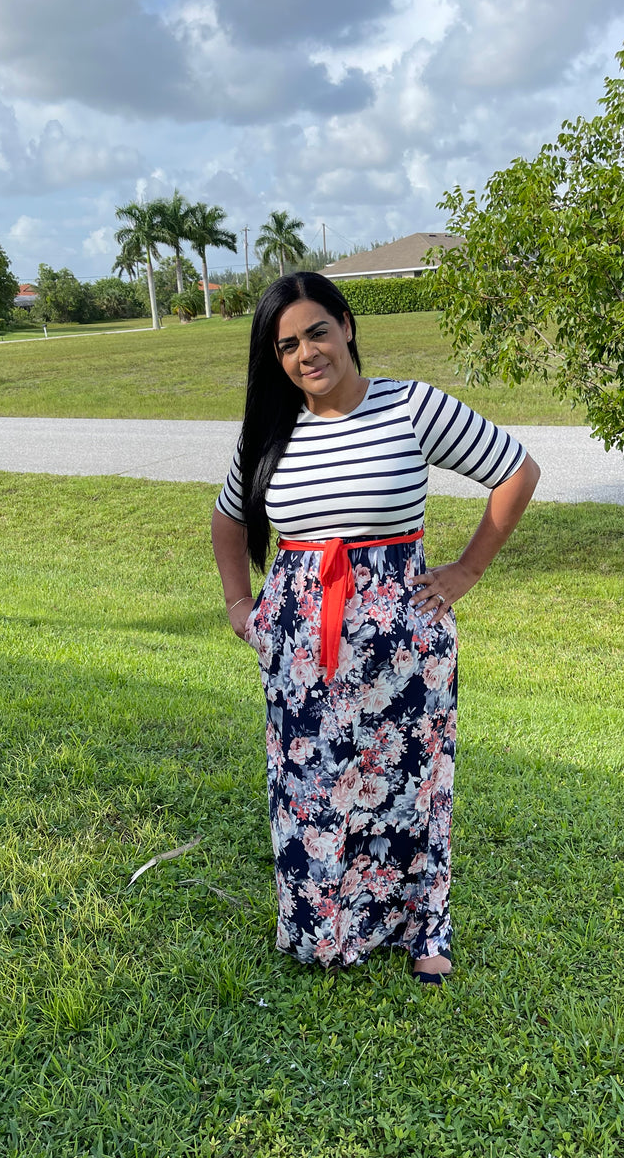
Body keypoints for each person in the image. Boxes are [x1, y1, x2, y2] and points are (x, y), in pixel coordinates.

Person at [212, 272, 539, 984]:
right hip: (303, 649)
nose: (306, 353)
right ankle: (322, 929)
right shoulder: (270, 428)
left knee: (409, 784)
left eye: (317, 331)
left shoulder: (411, 405)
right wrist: (243, 609)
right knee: (311, 788)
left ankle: (425, 930)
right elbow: (229, 518)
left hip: (406, 647)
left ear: (347, 324)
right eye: (288, 344)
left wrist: (466, 571)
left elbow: (517, 471)